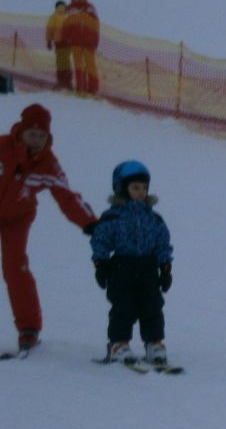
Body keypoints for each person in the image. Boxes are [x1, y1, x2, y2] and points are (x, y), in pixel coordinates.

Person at [0, 104, 96, 353]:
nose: (36, 140)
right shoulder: (2, 147)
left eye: (42, 136)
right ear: (20, 132)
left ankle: (29, 328)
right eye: (32, 134)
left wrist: (90, 223)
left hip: (17, 219)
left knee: (16, 269)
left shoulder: (47, 164)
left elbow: (66, 196)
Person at [90, 160, 174, 365]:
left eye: (144, 188)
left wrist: (165, 267)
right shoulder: (113, 217)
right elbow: (100, 240)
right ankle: (119, 344)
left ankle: (154, 343)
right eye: (135, 187)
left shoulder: (153, 218)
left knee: (152, 306)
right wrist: (101, 263)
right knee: (123, 307)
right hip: (122, 268)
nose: (141, 192)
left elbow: (163, 243)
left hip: (148, 268)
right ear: (122, 188)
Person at [62, 0, 100, 94]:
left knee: (78, 65)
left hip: (75, 41)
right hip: (89, 42)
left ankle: (80, 87)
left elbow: (65, 27)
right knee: (90, 65)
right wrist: (96, 41)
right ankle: (93, 88)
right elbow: (96, 26)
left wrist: (64, 40)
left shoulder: (69, 9)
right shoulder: (90, 8)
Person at [45, 0, 72, 90]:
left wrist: (49, 41)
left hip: (59, 42)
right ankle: (68, 83)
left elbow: (50, 30)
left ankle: (61, 82)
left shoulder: (54, 17)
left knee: (60, 62)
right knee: (67, 62)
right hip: (68, 43)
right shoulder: (68, 16)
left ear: (56, 7)